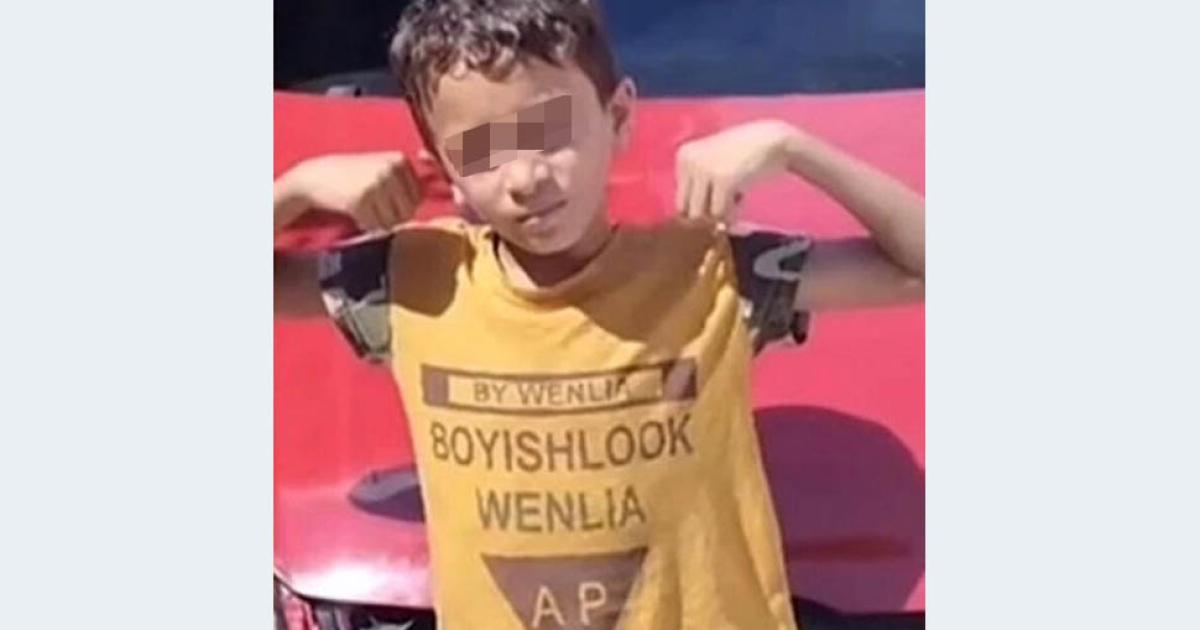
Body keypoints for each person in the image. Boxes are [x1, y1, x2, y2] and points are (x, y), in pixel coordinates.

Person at [273, 0, 924, 628]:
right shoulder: (412, 282)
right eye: (483, 151)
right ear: (444, 168)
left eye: (549, 132)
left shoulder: (710, 270)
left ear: (618, 117)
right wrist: (295, 190)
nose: (525, 178)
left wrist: (795, 148)